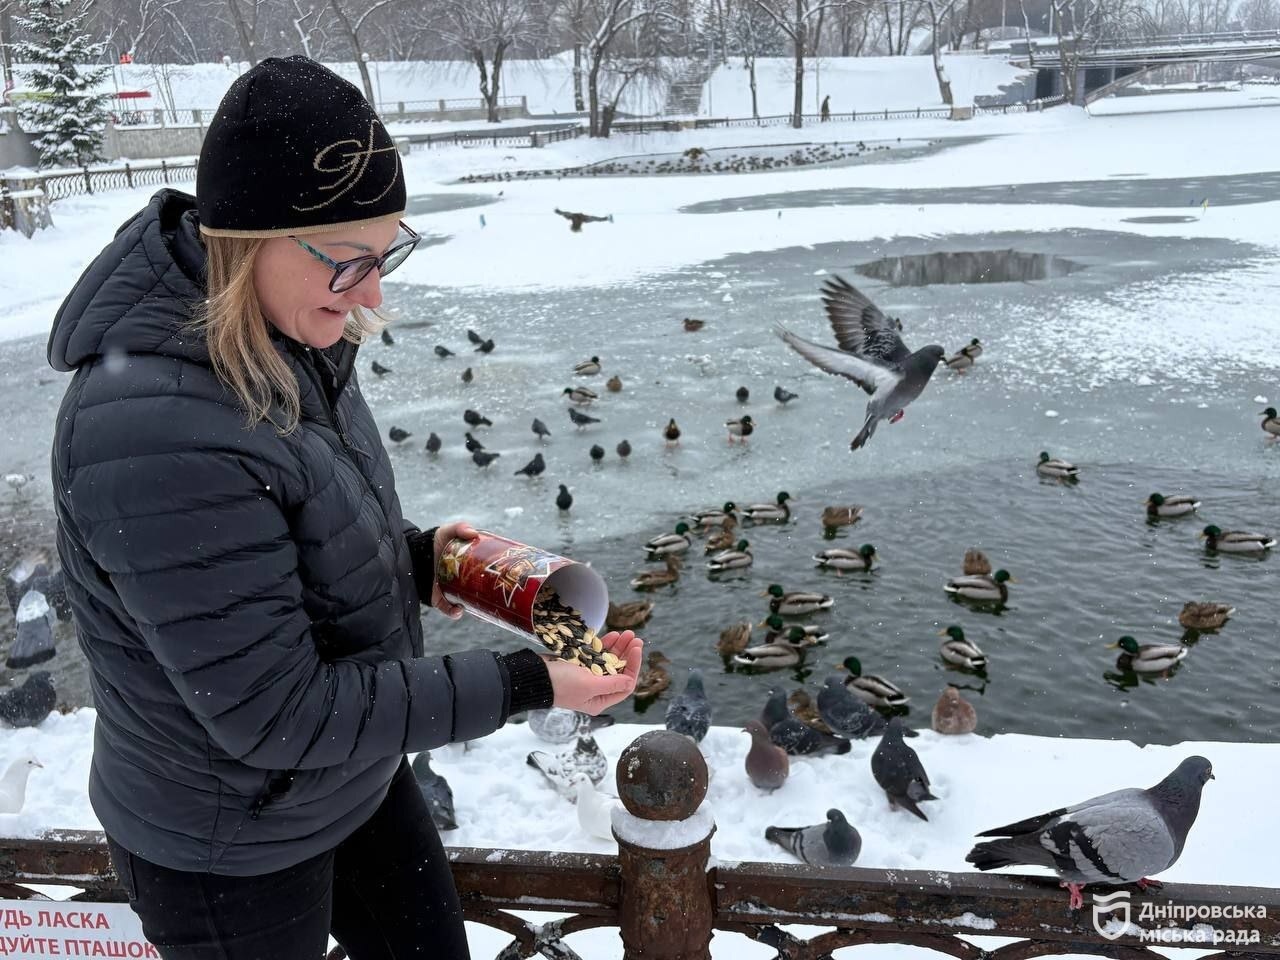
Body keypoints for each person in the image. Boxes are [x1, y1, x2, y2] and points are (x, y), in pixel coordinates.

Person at [48, 56, 642, 960]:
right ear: (254, 240)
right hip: (228, 839)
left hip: (344, 777)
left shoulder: (287, 333)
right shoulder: (152, 433)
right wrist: (528, 684)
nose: (374, 294)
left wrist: (415, 559)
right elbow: (273, 711)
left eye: (388, 252)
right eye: (353, 260)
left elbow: (269, 555)